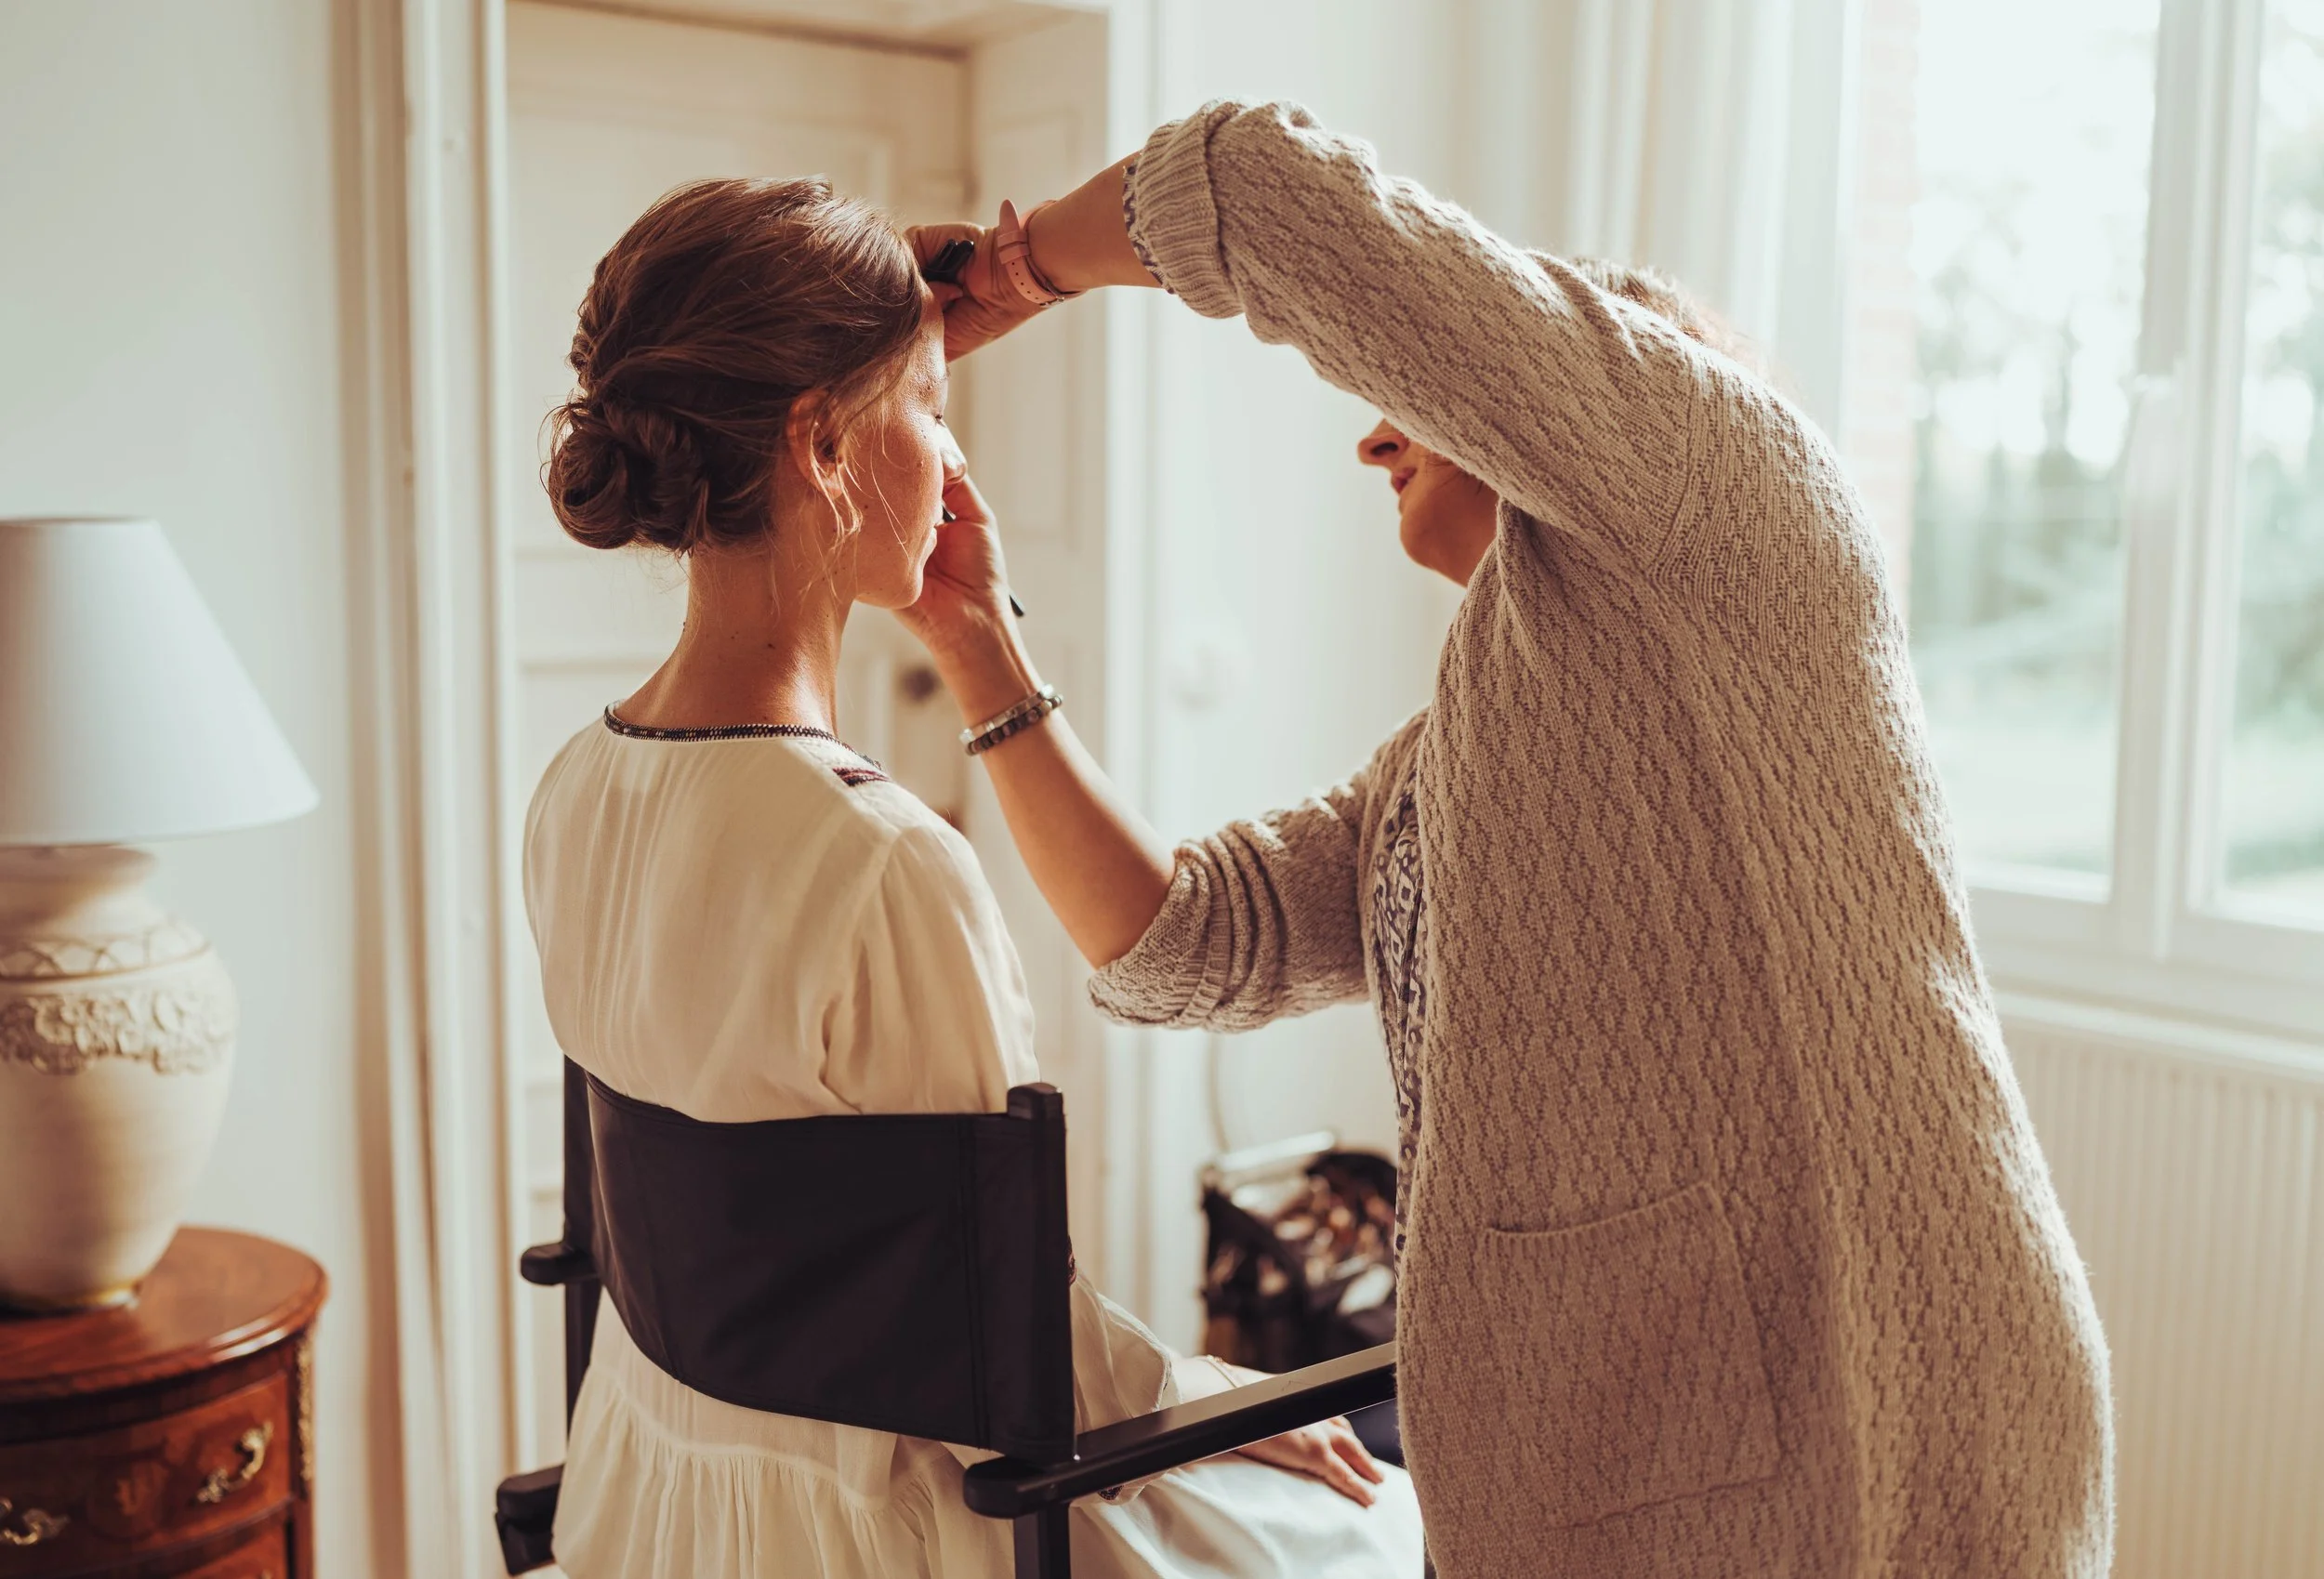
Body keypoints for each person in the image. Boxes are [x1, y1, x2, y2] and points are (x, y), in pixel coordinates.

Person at [901, 100, 2115, 1577]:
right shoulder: (1453, 754)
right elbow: (1183, 940)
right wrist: (975, 637)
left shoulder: (1725, 471)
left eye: (1435, 386)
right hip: (1634, 1450)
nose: (1373, 432)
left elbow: (1249, 187)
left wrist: (1021, 271)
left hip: (1871, 1407)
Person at [521, 176, 1425, 1579]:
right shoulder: (878, 863)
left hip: (656, 1496)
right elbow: (1012, 1351)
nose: (953, 452)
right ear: (821, 442)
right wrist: (1211, 1399)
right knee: (1384, 1529)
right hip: (875, 1528)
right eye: (935, 405)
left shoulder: (572, 788)